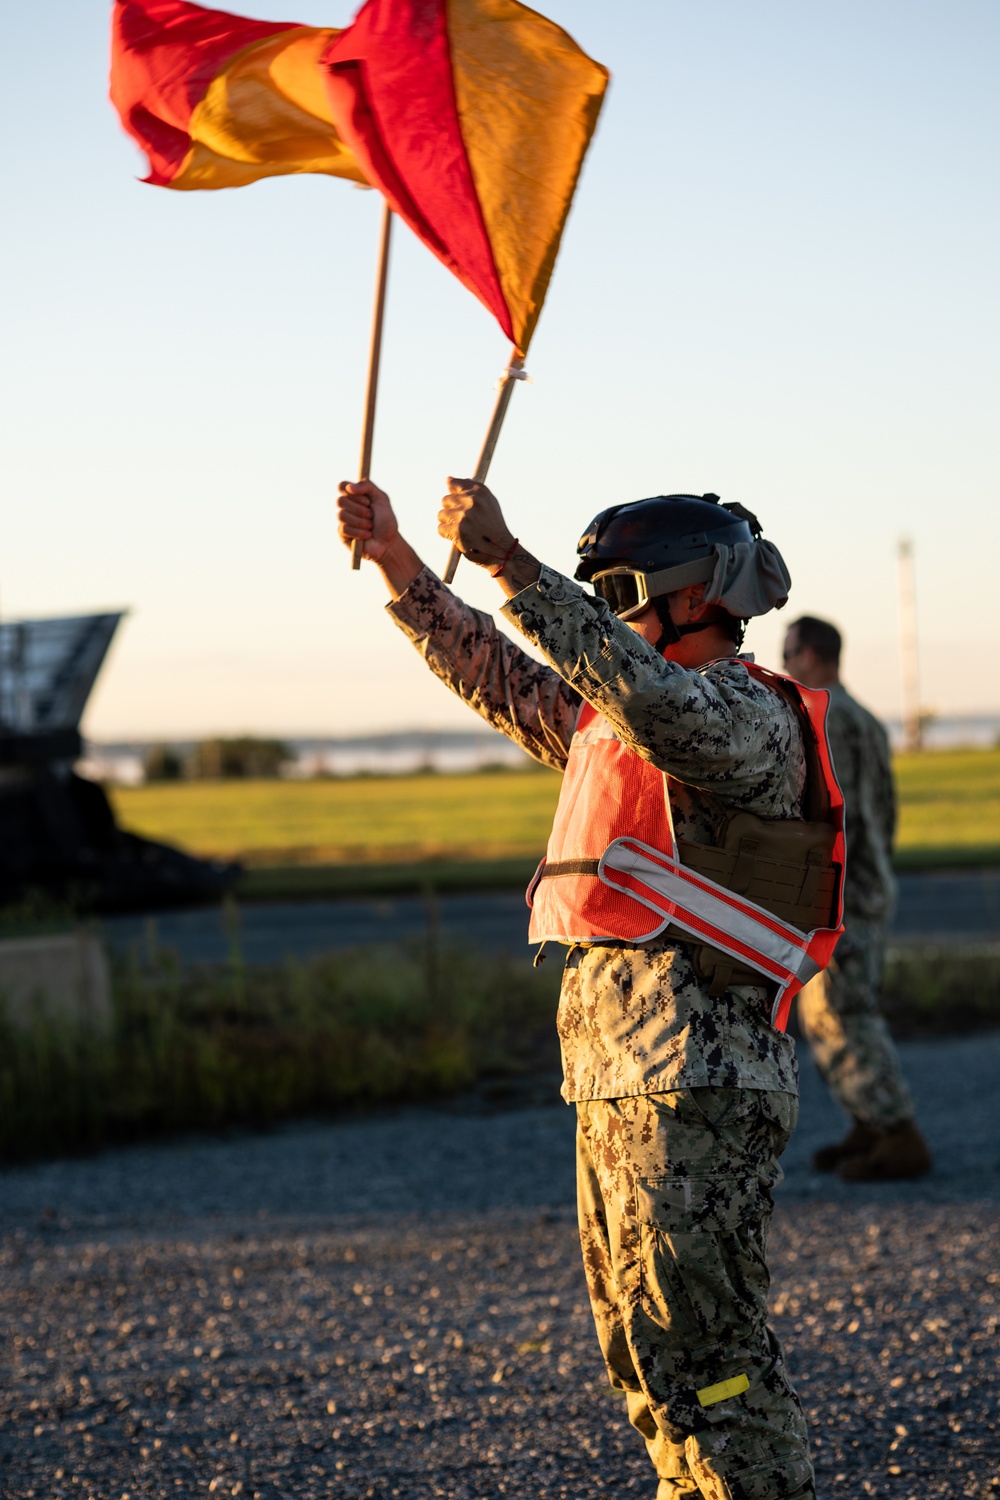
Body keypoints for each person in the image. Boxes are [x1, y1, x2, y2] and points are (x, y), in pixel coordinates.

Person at [337, 475, 843, 1500]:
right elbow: (500, 676)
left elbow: (650, 696)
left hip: (697, 1082)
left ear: (698, 597)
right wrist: (397, 561)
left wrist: (512, 565)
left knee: (712, 1368)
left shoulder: (742, 717)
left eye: (620, 594)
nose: (607, 615)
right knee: (650, 1365)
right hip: (619, 1084)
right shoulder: (619, 724)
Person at [781, 616, 932, 1181]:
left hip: (843, 891)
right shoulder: (866, 718)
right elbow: (883, 813)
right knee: (831, 1011)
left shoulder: (825, 716)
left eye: (790, 650)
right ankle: (869, 1122)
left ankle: (897, 1131)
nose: (785, 660)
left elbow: (829, 813)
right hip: (868, 883)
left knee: (845, 1014)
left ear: (813, 654)